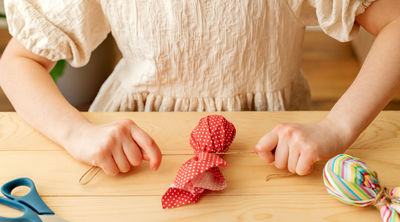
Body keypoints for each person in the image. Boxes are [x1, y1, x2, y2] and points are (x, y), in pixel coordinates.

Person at [0, 0, 399, 176]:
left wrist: (337, 128)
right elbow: (17, 63)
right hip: (137, 158)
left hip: (273, 155)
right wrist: (77, 133)